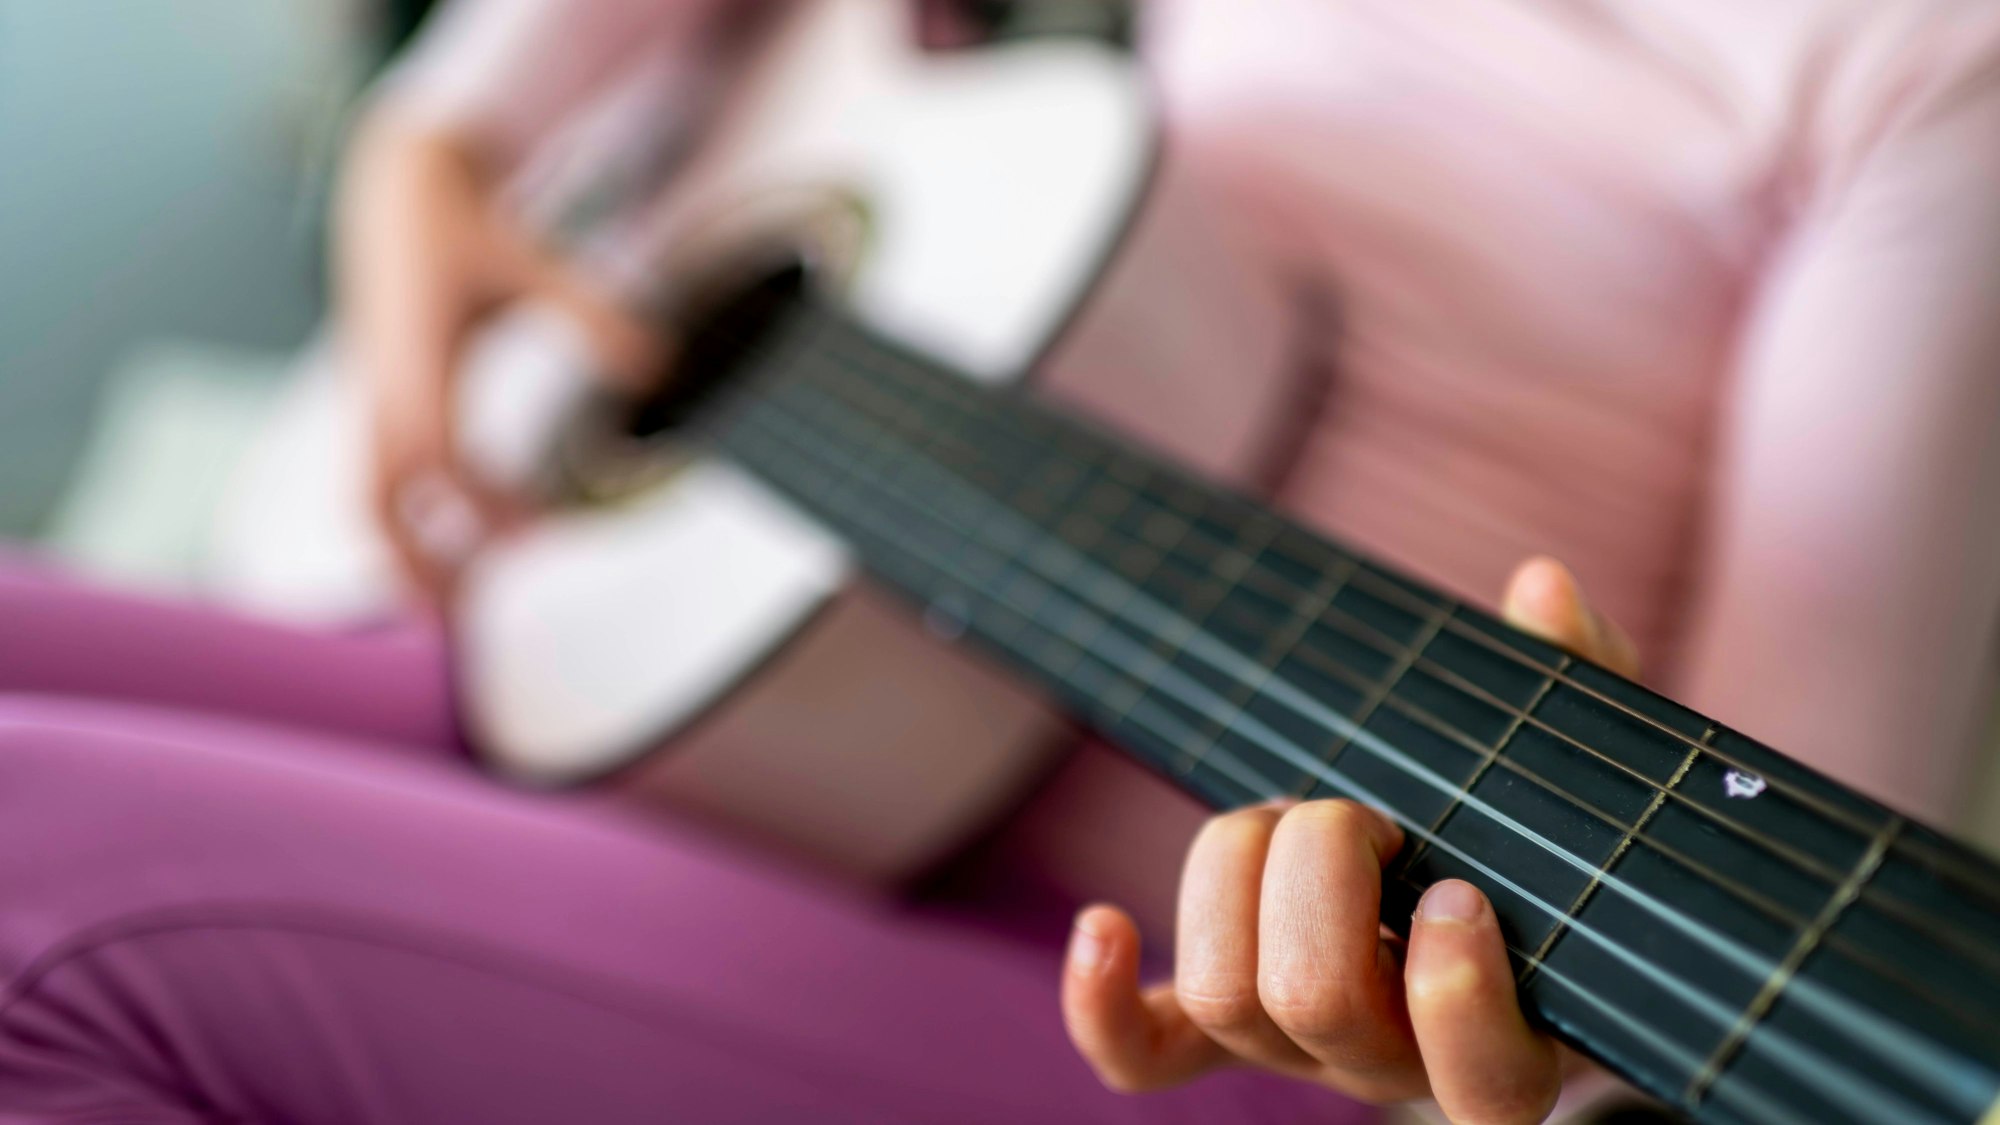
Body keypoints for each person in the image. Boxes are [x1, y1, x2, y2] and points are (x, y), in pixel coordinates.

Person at [2, 0, 1999, 1120]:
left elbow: (1776, 796)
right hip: (692, 641)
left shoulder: (1939, 66)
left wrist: (1527, 1053)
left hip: (1131, 1008)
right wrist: (429, 143)